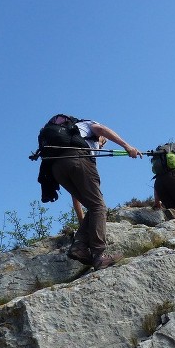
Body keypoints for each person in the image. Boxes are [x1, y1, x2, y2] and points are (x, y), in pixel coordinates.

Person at [37, 116, 140, 271]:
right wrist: (127, 146)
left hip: (56, 169)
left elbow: (77, 198)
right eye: (102, 140)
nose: (102, 142)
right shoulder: (87, 124)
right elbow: (102, 129)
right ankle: (99, 256)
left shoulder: (71, 134)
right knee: (99, 206)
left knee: (94, 206)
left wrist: (82, 222)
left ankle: (79, 246)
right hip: (78, 158)